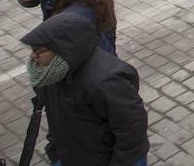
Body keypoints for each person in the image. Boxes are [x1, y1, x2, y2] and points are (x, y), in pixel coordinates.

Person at [21, 12, 149, 166]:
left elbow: (131, 133)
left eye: (38, 50)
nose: (33, 57)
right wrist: (54, 151)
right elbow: (56, 119)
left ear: (62, 49)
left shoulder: (108, 82)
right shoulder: (52, 75)